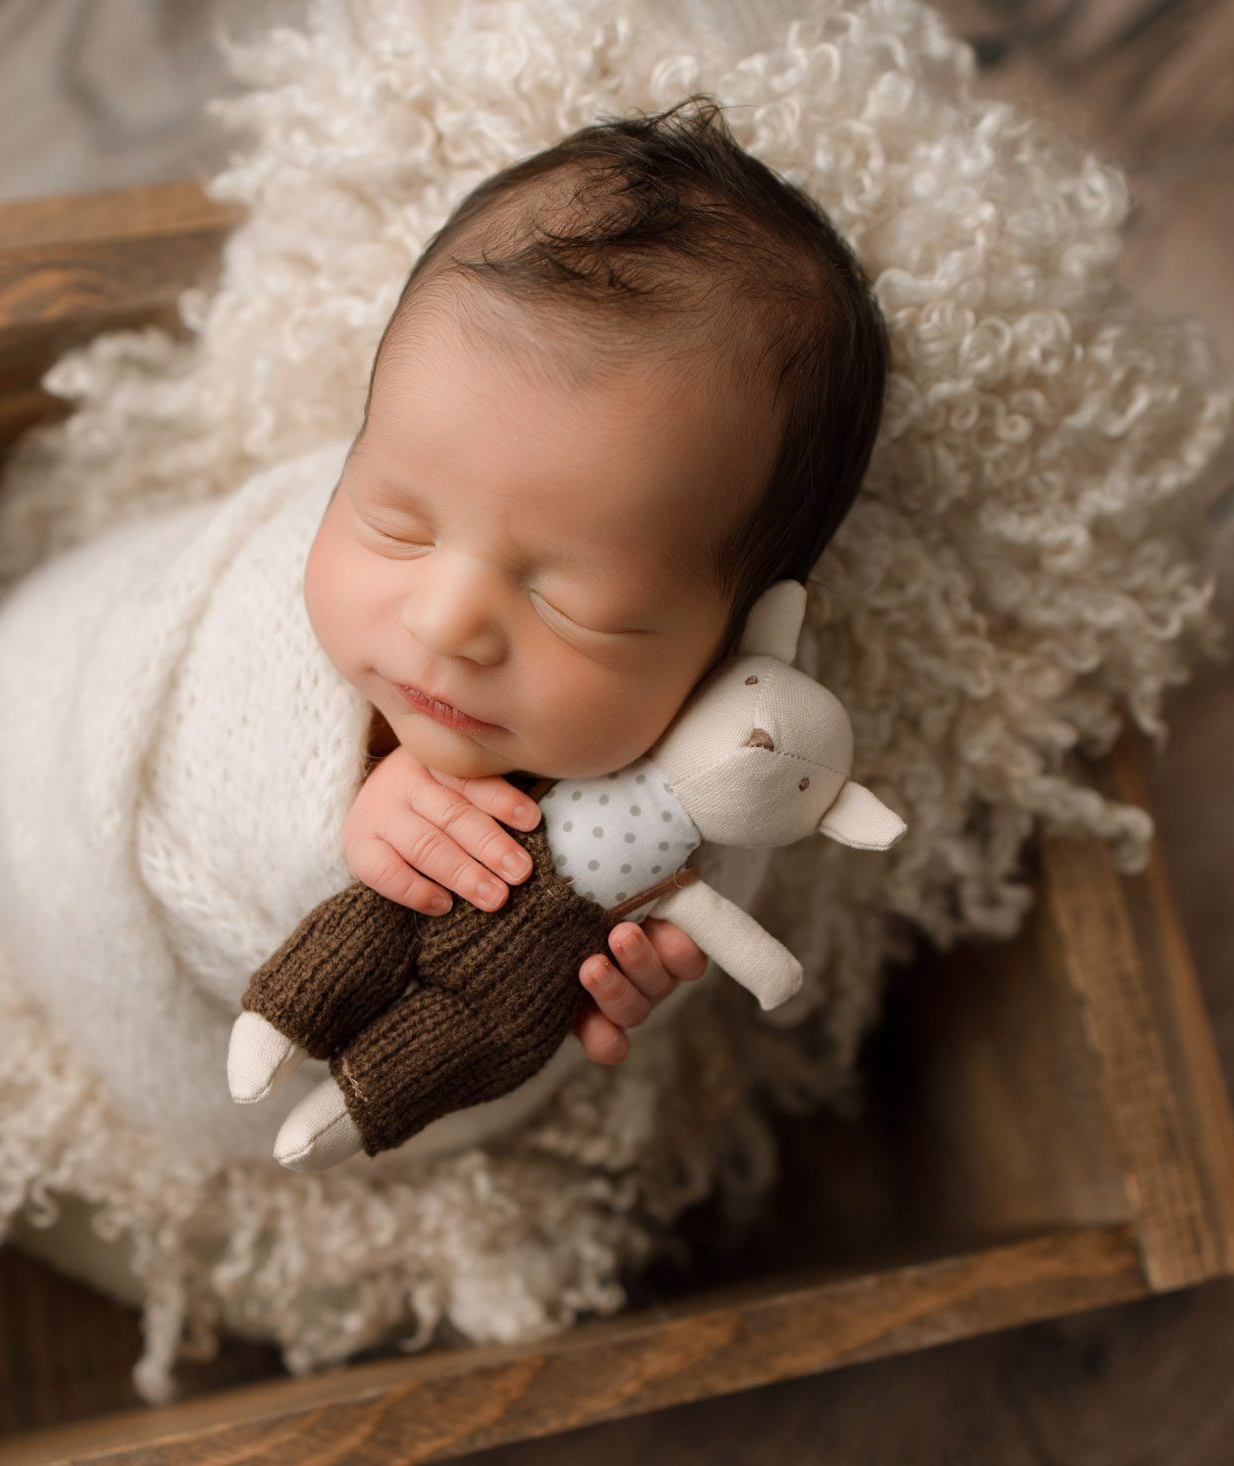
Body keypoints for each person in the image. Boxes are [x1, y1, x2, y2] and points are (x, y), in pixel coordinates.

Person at [301, 95, 891, 1068]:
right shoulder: (296, 571)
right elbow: (188, 692)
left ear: (736, 643)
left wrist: (583, 973)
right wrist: (332, 795)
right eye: (394, 523)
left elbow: (695, 883)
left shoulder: (703, 788)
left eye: (574, 607)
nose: (445, 619)